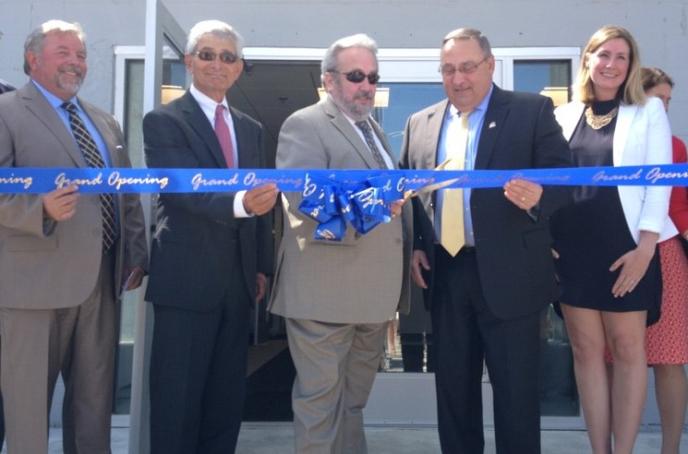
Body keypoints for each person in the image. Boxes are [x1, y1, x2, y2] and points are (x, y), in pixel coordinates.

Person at [400, 27, 571, 454]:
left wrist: (541, 197)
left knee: (515, 399)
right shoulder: (419, 124)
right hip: (446, 274)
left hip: (511, 276)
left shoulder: (531, 111)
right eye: (448, 70)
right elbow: (414, 196)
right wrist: (420, 243)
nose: (459, 79)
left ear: (490, 66)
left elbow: (565, 181)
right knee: (453, 398)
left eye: (468, 68)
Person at [0, 19, 148, 454]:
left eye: (81, 55)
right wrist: (36, 208)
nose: (76, 63)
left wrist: (135, 252)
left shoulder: (103, 121)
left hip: (100, 285)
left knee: (93, 410)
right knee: (29, 413)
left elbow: (124, 190)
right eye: (63, 52)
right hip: (32, 289)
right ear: (33, 59)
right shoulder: (6, 112)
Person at [269, 33, 412, 453]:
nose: (366, 85)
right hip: (323, 297)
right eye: (355, 76)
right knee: (320, 406)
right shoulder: (305, 123)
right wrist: (378, 204)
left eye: (372, 77)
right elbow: (304, 198)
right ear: (329, 81)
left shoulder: (375, 131)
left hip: (373, 297)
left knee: (352, 405)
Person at [143, 20, 278, 454]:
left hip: (237, 286)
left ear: (238, 68)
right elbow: (181, 191)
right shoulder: (163, 120)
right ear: (188, 62)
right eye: (207, 54)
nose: (217, 64)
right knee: (176, 401)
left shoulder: (251, 128)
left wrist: (259, 266)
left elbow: (261, 202)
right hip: (185, 281)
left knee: (225, 400)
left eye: (227, 57)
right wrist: (241, 203)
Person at [551, 26, 674, 454]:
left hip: (627, 247)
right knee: (585, 350)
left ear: (631, 65)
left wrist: (646, 248)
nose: (611, 64)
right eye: (604, 54)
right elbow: (548, 181)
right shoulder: (563, 114)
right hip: (573, 249)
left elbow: (660, 182)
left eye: (621, 57)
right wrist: (546, 235)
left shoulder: (649, 112)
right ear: (587, 59)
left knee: (627, 350)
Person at [639, 66, 688, 454]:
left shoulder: (674, 146)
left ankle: (670, 448)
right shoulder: (609, 138)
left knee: (670, 357)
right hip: (610, 254)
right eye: (659, 99)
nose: (665, 107)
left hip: (666, 253)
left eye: (669, 101)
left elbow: (679, 206)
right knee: (615, 358)